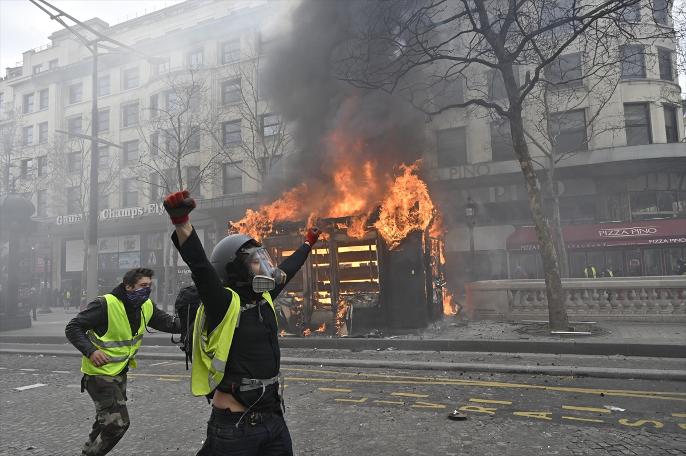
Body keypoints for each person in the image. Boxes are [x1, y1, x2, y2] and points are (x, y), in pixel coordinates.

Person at [163, 189, 320, 456]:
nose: (265, 266)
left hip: (273, 419)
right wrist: (181, 222)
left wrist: (307, 243)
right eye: (255, 262)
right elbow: (200, 266)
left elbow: (288, 269)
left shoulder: (265, 296)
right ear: (234, 269)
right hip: (236, 428)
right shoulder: (222, 304)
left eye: (263, 259)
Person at [65, 268, 180, 456]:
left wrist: (196, 319)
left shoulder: (145, 306)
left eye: (149, 286)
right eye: (143, 286)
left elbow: (170, 324)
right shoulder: (105, 304)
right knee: (117, 424)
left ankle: (87, 452)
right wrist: (91, 351)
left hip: (119, 372)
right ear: (128, 286)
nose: (147, 290)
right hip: (99, 374)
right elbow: (73, 327)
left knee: (104, 422)